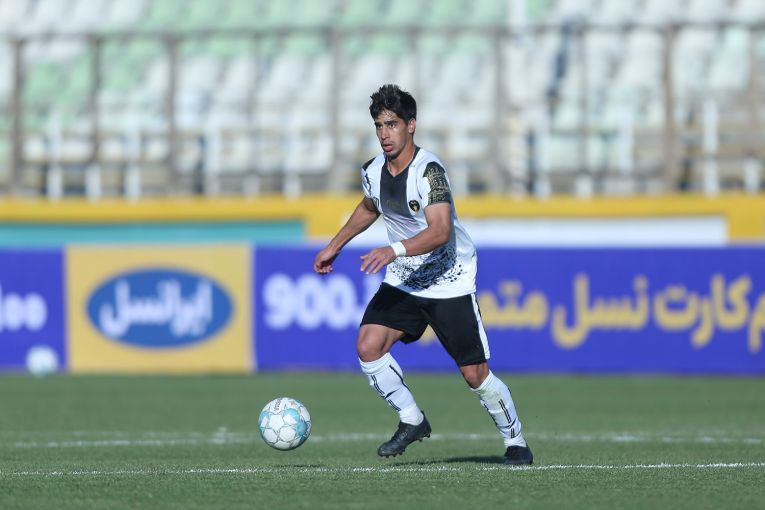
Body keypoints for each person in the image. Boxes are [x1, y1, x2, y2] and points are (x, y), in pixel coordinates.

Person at [313, 84, 533, 465]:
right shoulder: (373, 172)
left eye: (392, 124)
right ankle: (412, 419)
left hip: (448, 279)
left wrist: (392, 250)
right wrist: (336, 244)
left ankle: (516, 442)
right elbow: (370, 206)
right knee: (368, 345)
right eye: (379, 126)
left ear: (411, 125)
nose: (384, 134)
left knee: (475, 374)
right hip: (406, 279)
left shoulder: (429, 171)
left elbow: (440, 230)